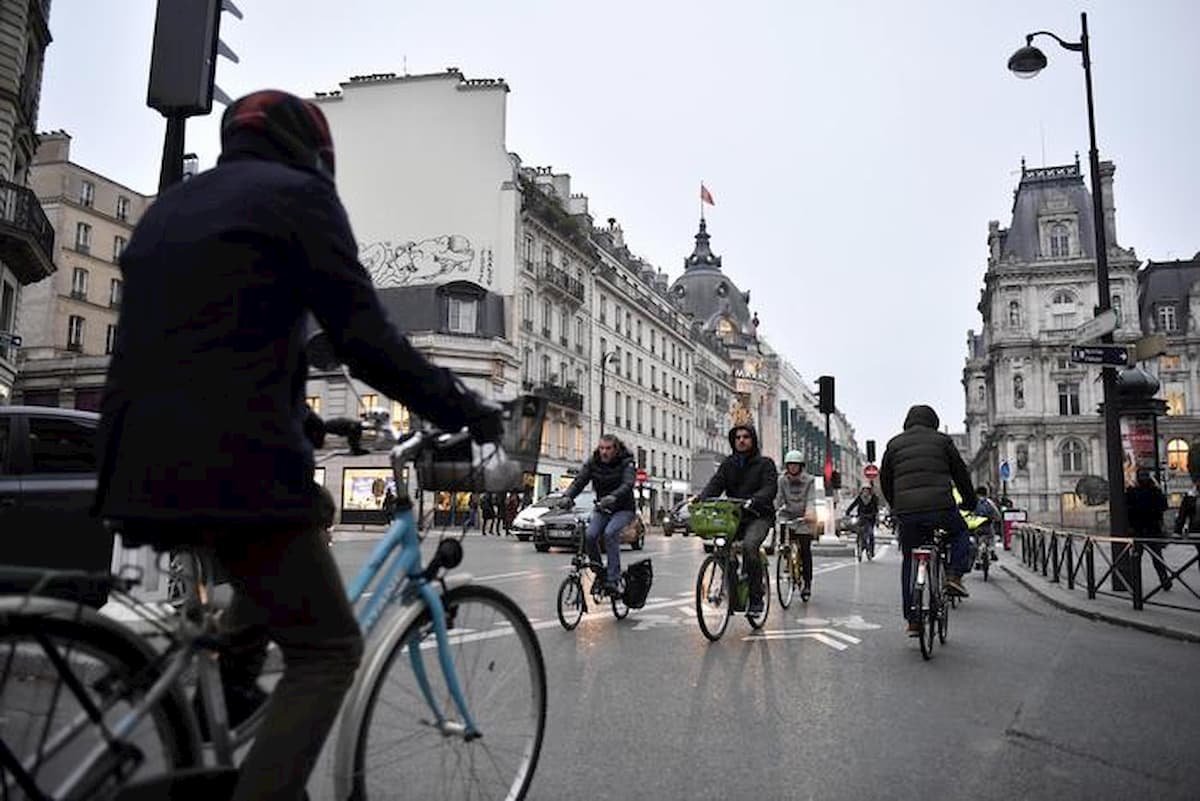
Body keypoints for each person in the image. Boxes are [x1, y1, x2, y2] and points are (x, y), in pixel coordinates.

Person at [92, 90, 503, 801]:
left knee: (307, 507)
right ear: (316, 151)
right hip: (228, 461)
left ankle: (230, 675)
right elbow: (367, 339)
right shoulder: (300, 199)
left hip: (131, 456)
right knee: (330, 648)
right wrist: (469, 406)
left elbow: (211, 345)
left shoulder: (174, 206)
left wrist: (314, 427)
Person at [879, 404, 974, 637]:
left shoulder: (894, 444)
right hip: (940, 508)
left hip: (907, 513)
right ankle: (953, 576)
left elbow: (885, 479)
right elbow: (960, 473)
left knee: (909, 560)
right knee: (961, 532)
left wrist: (895, 505)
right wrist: (970, 502)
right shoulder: (942, 441)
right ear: (933, 422)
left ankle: (912, 620)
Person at [697, 424, 778, 616]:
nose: (741, 440)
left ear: (753, 440)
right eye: (737, 437)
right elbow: (715, 484)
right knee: (722, 549)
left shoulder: (765, 464)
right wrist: (700, 499)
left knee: (750, 547)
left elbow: (770, 488)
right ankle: (733, 594)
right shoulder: (728, 464)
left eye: (746, 437)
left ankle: (756, 599)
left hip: (759, 515)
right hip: (735, 517)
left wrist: (755, 500)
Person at [558, 434, 637, 595]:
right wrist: (567, 496)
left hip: (623, 509)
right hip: (603, 508)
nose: (604, 452)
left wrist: (613, 497)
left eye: (608, 449)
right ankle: (600, 574)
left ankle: (613, 578)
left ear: (616, 449)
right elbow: (579, 481)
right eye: (601, 448)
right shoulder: (593, 462)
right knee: (590, 535)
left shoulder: (627, 462)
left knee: (610, 532)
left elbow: (628, 484)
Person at [775, 451, 816, 601]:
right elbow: (778, 499)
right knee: (784, 541)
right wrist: (772, 510)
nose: (792, 468)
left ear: (801, 466)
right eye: (790, 465)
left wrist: (810, 513)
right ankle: (787, 563)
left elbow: (811, 499)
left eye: (795, 465)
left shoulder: (809, 480)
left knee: (805, 551)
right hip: (788, 515)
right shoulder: (782, 480)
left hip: (805, 517)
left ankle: (807, 584)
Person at [1126, 468, 1172, 591]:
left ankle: (1135, 583)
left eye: (1145, 475)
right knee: (1149, 558)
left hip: (1145, 529)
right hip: (1146, 529)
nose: (1144, 478)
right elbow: (1163, 506)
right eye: (1142, 476)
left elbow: (1163, 506)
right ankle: (1163, 581)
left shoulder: (1138, 491)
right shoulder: (1151, 491)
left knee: (1145, 558)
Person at [1172, 482, 1200, 575]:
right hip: (1196, 532)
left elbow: (1182, 515)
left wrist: (1177, 532)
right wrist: (1177, 531)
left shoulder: (1190, 497)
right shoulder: (1190, 497)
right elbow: (1182, 515)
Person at [845, 485, 880, 557]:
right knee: (859, 531)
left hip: (870, 518)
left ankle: (871, 550)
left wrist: (874, 515)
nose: (865, 492)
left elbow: (876, 509)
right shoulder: (860, 498)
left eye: (867, 490)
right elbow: (853, 505)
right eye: (864, 490)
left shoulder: (873, 498)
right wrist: (848, 512)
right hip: (861, 517)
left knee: (870, 534)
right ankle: (860, 544)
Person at [972, 485, 1002, 566]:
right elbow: (997, 515)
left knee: (976, 541)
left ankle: (977, 560)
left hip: (977, 526)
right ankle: (992, 551)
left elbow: (970, 514)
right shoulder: (989, 502)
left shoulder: (974, 502)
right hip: (988, 526)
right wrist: (996, 519)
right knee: (992, 538)